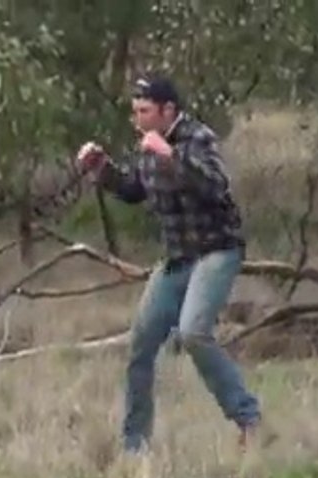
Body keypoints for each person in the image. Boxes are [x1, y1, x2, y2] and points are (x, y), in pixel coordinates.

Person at [76, 74, 262, 454]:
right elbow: (133, 190)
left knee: (194, 332)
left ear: (168, 111)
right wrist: (101, 169)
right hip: (177, 258)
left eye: (145, 111)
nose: (138, 119)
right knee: (141, 343)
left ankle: (249, 419)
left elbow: (215, 186)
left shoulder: (197, 139)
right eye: (136, 112)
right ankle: (134, 445)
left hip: (216, 250)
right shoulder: (148, 145)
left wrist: (169, 155)